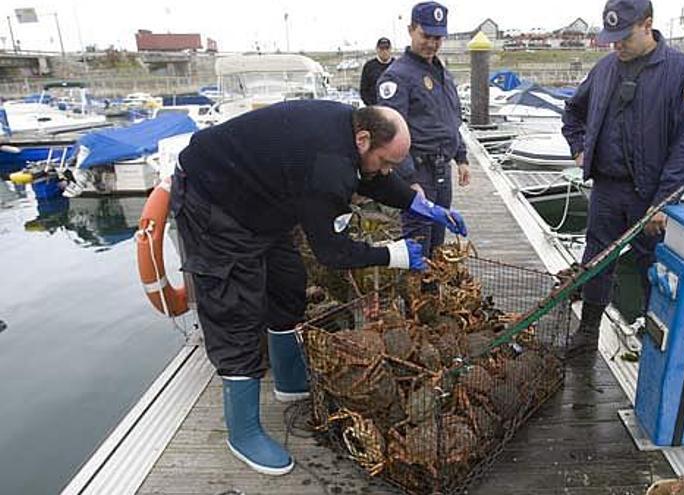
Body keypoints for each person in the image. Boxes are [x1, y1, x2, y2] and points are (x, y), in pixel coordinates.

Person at [171, 101, 467, 476]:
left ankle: (290, 382)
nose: (390, 170)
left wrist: (417, 203)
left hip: (263, 198)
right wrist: (392, 255)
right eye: (388, 161)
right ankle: (242, 433)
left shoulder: (354, 131)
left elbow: (373, 176)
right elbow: (332, 251)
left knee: (288, 282)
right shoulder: (330, 166)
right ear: (363, 139)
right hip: (212, 200)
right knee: (237, 311)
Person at [561, 0, 684, 352]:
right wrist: (579, 149)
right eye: (612, 38)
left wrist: (664, 202)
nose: (617, 45)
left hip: (651, 195)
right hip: (607, 189)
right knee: (595, 262)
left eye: (623, 37)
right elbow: (573, 111)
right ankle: (588, 332)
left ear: (647, 25)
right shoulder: (605, 69)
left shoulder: (683, 72)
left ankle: (655, 340)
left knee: (653, 270)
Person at [376, 1, 470, 258]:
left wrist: (461, 158)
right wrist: (409, 180)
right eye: (426, 35)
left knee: (437, 245)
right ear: (411, 30)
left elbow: (450, 120)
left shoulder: (442, 74)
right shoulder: (397, 77)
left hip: (442, 172)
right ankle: (414, 296)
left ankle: (431, 295)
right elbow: (388, 135)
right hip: (418, 171)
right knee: (418, 244)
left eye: (438, 37)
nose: (432, 43)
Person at [359, 37, 395, 106]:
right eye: (381, 48)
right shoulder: (369, 66)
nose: (384, 51)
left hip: (394, 108)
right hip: (375, 109)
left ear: (390, 49)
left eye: (387, 48)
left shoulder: (397, 65)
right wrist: (373, 106)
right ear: (377, 49)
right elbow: (364, 91)